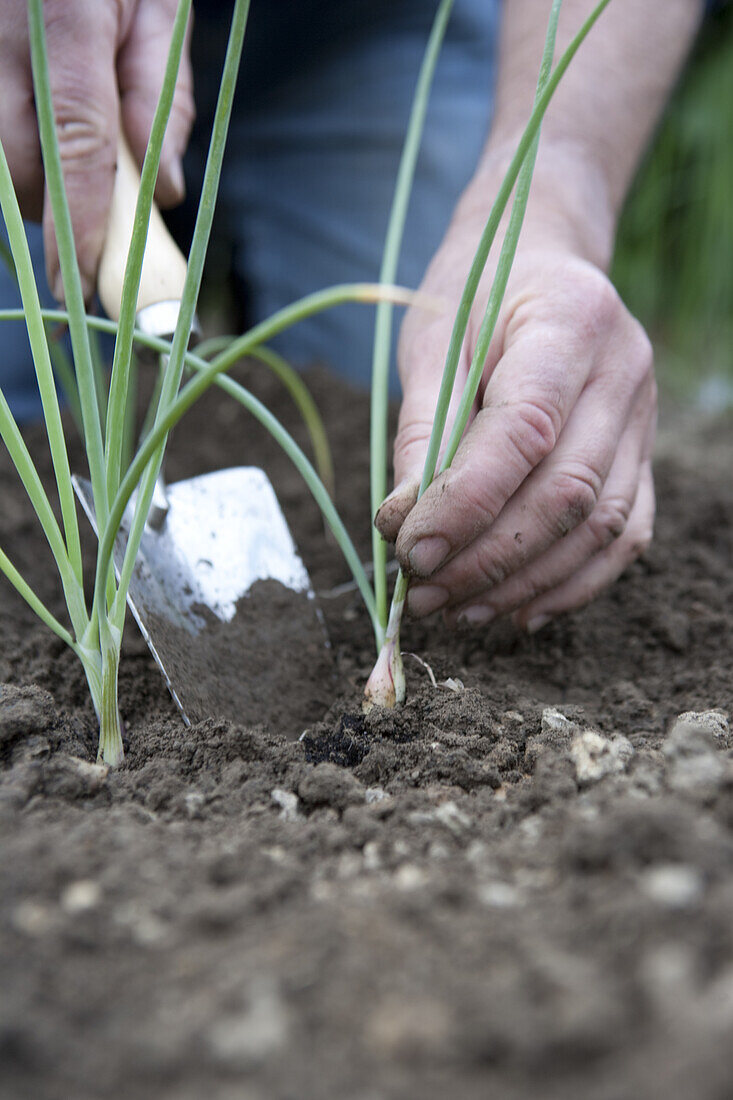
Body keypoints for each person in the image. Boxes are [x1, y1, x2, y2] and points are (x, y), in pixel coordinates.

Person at [0, 0, 704, 632]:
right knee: (28, 417)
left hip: (365, 25)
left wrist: (552, 199)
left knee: (428, 393)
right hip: (50, 30)